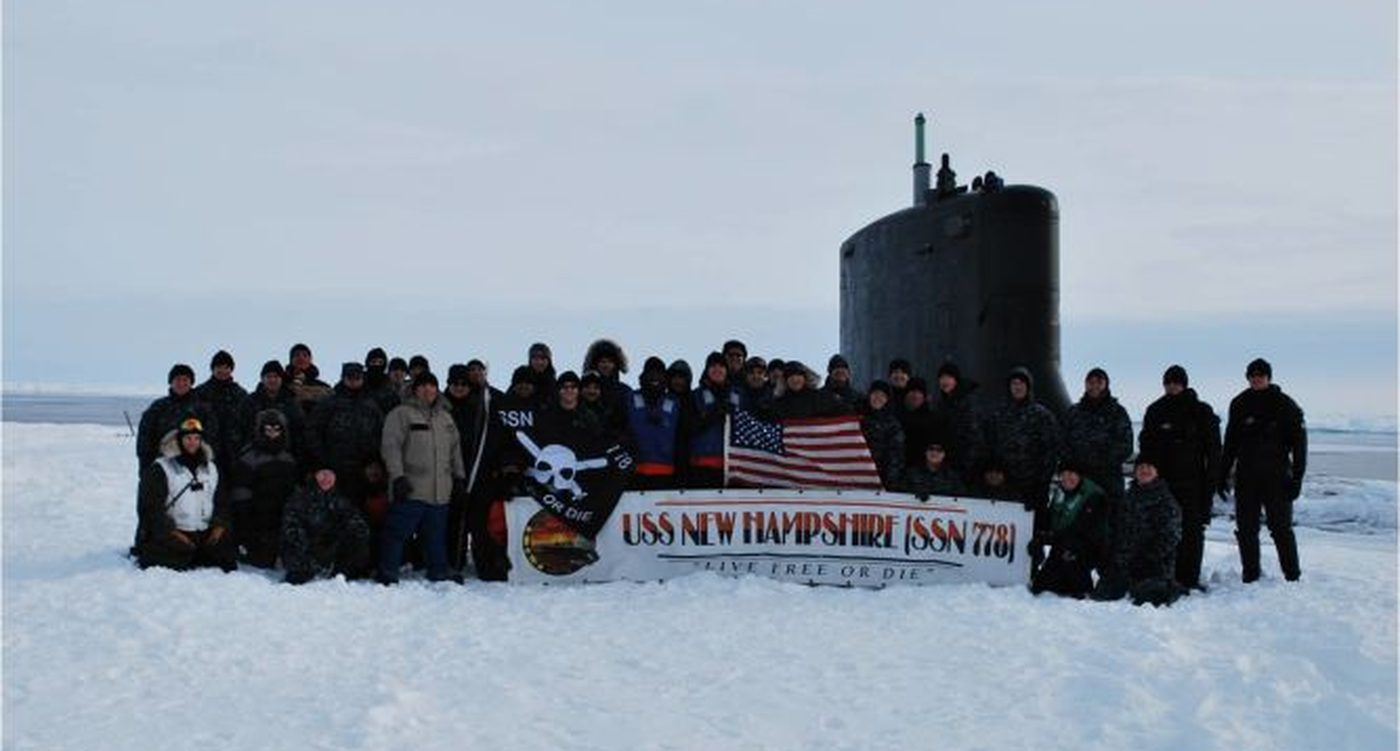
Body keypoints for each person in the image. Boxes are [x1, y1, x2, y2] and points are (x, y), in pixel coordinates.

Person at [1220, 358, 1307, 583]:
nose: (1256, 378)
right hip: (1247, 476)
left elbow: (1300, 444)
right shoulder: (1239, 403)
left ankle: (1292, 575)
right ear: (1248, 377)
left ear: (1269, 377)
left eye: (1261, 374)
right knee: (1246, 529)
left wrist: (1297, 478)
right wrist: (1221, 474)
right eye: (1252, 375)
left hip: (1277, 476)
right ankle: (1250, 574)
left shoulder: (1284, 404)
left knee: (1281, 528)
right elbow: (1230, 442)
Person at [378, 371, 467, 584]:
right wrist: (398, 477)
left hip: (440, 491)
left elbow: (455, 450)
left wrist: (459, 477)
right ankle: (388, 571)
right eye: (423, 385)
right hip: (411, 487)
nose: (428, 389)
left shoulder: (446, 417)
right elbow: (391, 448)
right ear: (415, 389)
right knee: (397, 533)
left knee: (435, 536)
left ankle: (439, 570)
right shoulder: (401, 414)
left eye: (432, 385)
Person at [1139, 364, 1222, 591]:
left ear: (1184, 383)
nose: (1172, 386)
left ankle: (1189, 579)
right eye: (1168, 382)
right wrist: (1144, 475)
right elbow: (1145, 445)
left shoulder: (1201, 411)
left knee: (1192, 531)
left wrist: (1213, 481)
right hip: (1162, 483)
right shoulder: (1155, 410)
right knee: (1161, 529)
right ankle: (1165, 574)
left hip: (1193, 482)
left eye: (1176, 381)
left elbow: (1214, 451)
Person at [133, 417, 237, 572]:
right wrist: (172, 533)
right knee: (173, 557)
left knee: (227, 558)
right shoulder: (161, 468)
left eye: (196, 438)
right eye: (188, 438)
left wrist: (219, 525)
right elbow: (151, 508)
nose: (192, 442)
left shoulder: (211, 468)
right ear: (179, 440)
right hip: (175, 531)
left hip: (203, 531)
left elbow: (221, 500)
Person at [1092, 456, 1182, 606]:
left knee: (1148, 599)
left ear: (1157, 472)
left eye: (1149, 467)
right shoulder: (1127, 497)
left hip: (1153, 564)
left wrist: (1146, 557)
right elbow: (1116, 530)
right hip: (1125, 562)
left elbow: (1170, 537)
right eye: (1141, 467)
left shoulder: (1166, 500)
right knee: (1102, 595)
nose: (1144, 470)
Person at [228, 409, 300, 568]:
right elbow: (241, 492)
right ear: (261, 430)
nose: (272, 433)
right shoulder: (249, 456)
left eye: (276, 429)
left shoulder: (289, 457)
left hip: (284, 515)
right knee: (261, 562)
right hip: (257, 516)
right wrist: (245, 518)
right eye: (268, 429)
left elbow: (295, 487)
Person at [305, 362, 385, 504]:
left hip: (364, 470)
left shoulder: (372, 405)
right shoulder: (329, 403)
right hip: (334, 468)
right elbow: (313, 431)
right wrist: (323, 460)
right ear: (343, 378)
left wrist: (375, 461)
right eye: (350, 377)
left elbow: (381, 433)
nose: (354, 381)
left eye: (357, 377)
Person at [983, 366, 1060, 513]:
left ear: (1028, 387)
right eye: (1014, 383)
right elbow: (989, 448)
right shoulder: (998, 416)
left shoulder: (1042, 416)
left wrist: (1041, 485)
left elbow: (1051, 452)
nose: (1017, 387)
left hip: (1032, 486)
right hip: (1004, 487)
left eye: (1021, 383)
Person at [280, 468, 373, 584]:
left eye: (330, 475)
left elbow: (355, 520)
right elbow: (291, 527)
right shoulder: (300, 498)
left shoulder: (340, 499)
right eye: (322, 474)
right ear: (315, 476)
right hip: (304, 548)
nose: (326, 479)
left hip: (329, 548)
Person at [1031, 464, 1108, 598]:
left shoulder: (1094, 496)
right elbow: (1050, 519)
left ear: (1079, 475)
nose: (1067, 478)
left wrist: (1048, 538)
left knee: (1076, 587)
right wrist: (1039, 534)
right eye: (1064, 474)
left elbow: (1082, 529)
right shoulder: (1060, 492)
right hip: (1063, 544)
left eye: (1072, 474)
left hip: (1088, 546)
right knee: (1040, 586)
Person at [1060, 367, 1133, 500]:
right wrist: (1073, 466)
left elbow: (1126, 445)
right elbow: (1063, 443)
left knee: (1111, 517)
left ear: (1106, 384)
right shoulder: (1074, 413)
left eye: (1099, 382)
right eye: (1090, 382)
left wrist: (1101, 461)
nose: (1094, 386)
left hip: (1109, 479)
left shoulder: (1118, 412)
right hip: (1080, 479)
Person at [136, 363, 219, 472]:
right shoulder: (158, 408)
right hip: (164, 466)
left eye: (185, 380)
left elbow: (212, 438)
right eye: (177, 380)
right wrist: (147, 469)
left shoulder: (203, 409)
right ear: (171, 382)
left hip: (196, 467)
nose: (181, 383)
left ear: (191, 383)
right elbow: (145, 441)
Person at [624, 357, 684, 490]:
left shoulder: (674, 403)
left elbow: (682, 439)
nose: (654, 377)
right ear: (643, 376)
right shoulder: (629, 398)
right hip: (634, 473)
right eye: (651, 373)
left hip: (666, 474)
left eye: (659, 373)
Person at [238, 360, 307, 467]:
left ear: (281, 379)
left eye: (276, 376)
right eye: (269, 376)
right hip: (255, 459)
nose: (272, 380)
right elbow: (240, 430)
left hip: (286, 459)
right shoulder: (250, 401)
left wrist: (298, 458)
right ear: (262, 379)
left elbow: (300, 431)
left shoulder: (291, 402)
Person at [690, 352, 742, 488]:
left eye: (721, 366)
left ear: (726, 370)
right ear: (707, 370)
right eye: (713, 366)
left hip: (733, 465)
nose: (717, 370)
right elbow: (688, 428)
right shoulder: (695, 396)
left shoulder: (739, 395)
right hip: (702, 465)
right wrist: (712, 415)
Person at [194, 350, 248, 475]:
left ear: (231, 369)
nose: (222, 371)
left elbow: (248, 423)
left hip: (235, 454)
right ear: (212, 369)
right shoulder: (199, 393)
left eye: (226, 367)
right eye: (219, 367)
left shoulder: (240, 394)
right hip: (207, 454)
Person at [932, 362, 982, 479]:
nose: (944, 381)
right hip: (946, 461)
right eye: (942, 378)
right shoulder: (942, 403)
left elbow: (973, 437)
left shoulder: (967, 402)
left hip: (965, 463)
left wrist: (967, 465)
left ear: (956, 380)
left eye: (948, 378)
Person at [860, 381, 905, 490]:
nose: (878, 398)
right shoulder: (858, 418)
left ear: (887, 400)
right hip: (858, 474)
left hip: (881, 478)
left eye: (882, 395)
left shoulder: (893, 424)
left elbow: (896, 455)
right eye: (875, 394)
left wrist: (890, 482)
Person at [768, 360, 851, 419]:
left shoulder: (819, 397)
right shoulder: (778, 404)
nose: (795, 379)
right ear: (785, 381)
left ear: (805, 378)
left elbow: (844, 411)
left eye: (798, 375)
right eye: (790, 376)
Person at [286, 343, 333, 414]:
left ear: (310, 360)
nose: (301, 358)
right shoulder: (282, 383)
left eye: (305, 355)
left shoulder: (323, 386)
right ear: (291, 360)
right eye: (297, 355)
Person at [364, 347, 401, 415]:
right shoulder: (359, 381)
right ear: (368, 363)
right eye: (373, 362)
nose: (377, 365)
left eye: (380, 362)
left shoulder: (390, 384)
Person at [525, 342, 557, 408]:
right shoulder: (521, 380)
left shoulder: (553, 384)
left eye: (543, 358)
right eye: (536, 358)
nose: (539, 362)